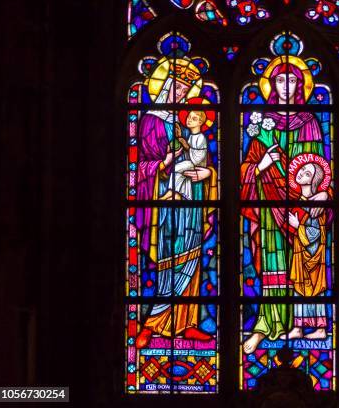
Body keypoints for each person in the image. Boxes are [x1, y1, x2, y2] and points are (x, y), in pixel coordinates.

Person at [241, 61, 329, 354]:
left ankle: (307, 323)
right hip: (269, 202)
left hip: (303, 205)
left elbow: (320, 166)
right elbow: (246, 169)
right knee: (273, 265)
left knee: (307, 263)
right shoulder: (261, 122)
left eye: (292, 81)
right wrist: (262, 165)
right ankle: (267, 325)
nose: (286, 87)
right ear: (273, 86)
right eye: (280, 81)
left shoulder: (310, 121)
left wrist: (319, 194)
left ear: (301, 85)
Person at [135, 66, 216, 348]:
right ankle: (154, 321)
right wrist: (164, 163)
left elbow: (201, 160)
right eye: (176, 88)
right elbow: (141, 166)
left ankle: (187, 322)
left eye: (183, 90)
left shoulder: (184, 126)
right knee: (168, 258)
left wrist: (209, 175)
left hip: (191, 198)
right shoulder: (150, 121)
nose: (179, 94)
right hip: (164, 200)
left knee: (191, 258)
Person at [287, 160, 332, 340]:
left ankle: (321, 329)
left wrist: (298, 226)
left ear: (314, 181)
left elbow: (316, 232)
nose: (302, 173)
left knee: (316, 289)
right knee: (298, 288)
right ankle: (298, 327)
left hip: (313, 254)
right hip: (299, 253)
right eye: (302, 169)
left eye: (307, 173)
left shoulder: (317, 203)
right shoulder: (299, 201)